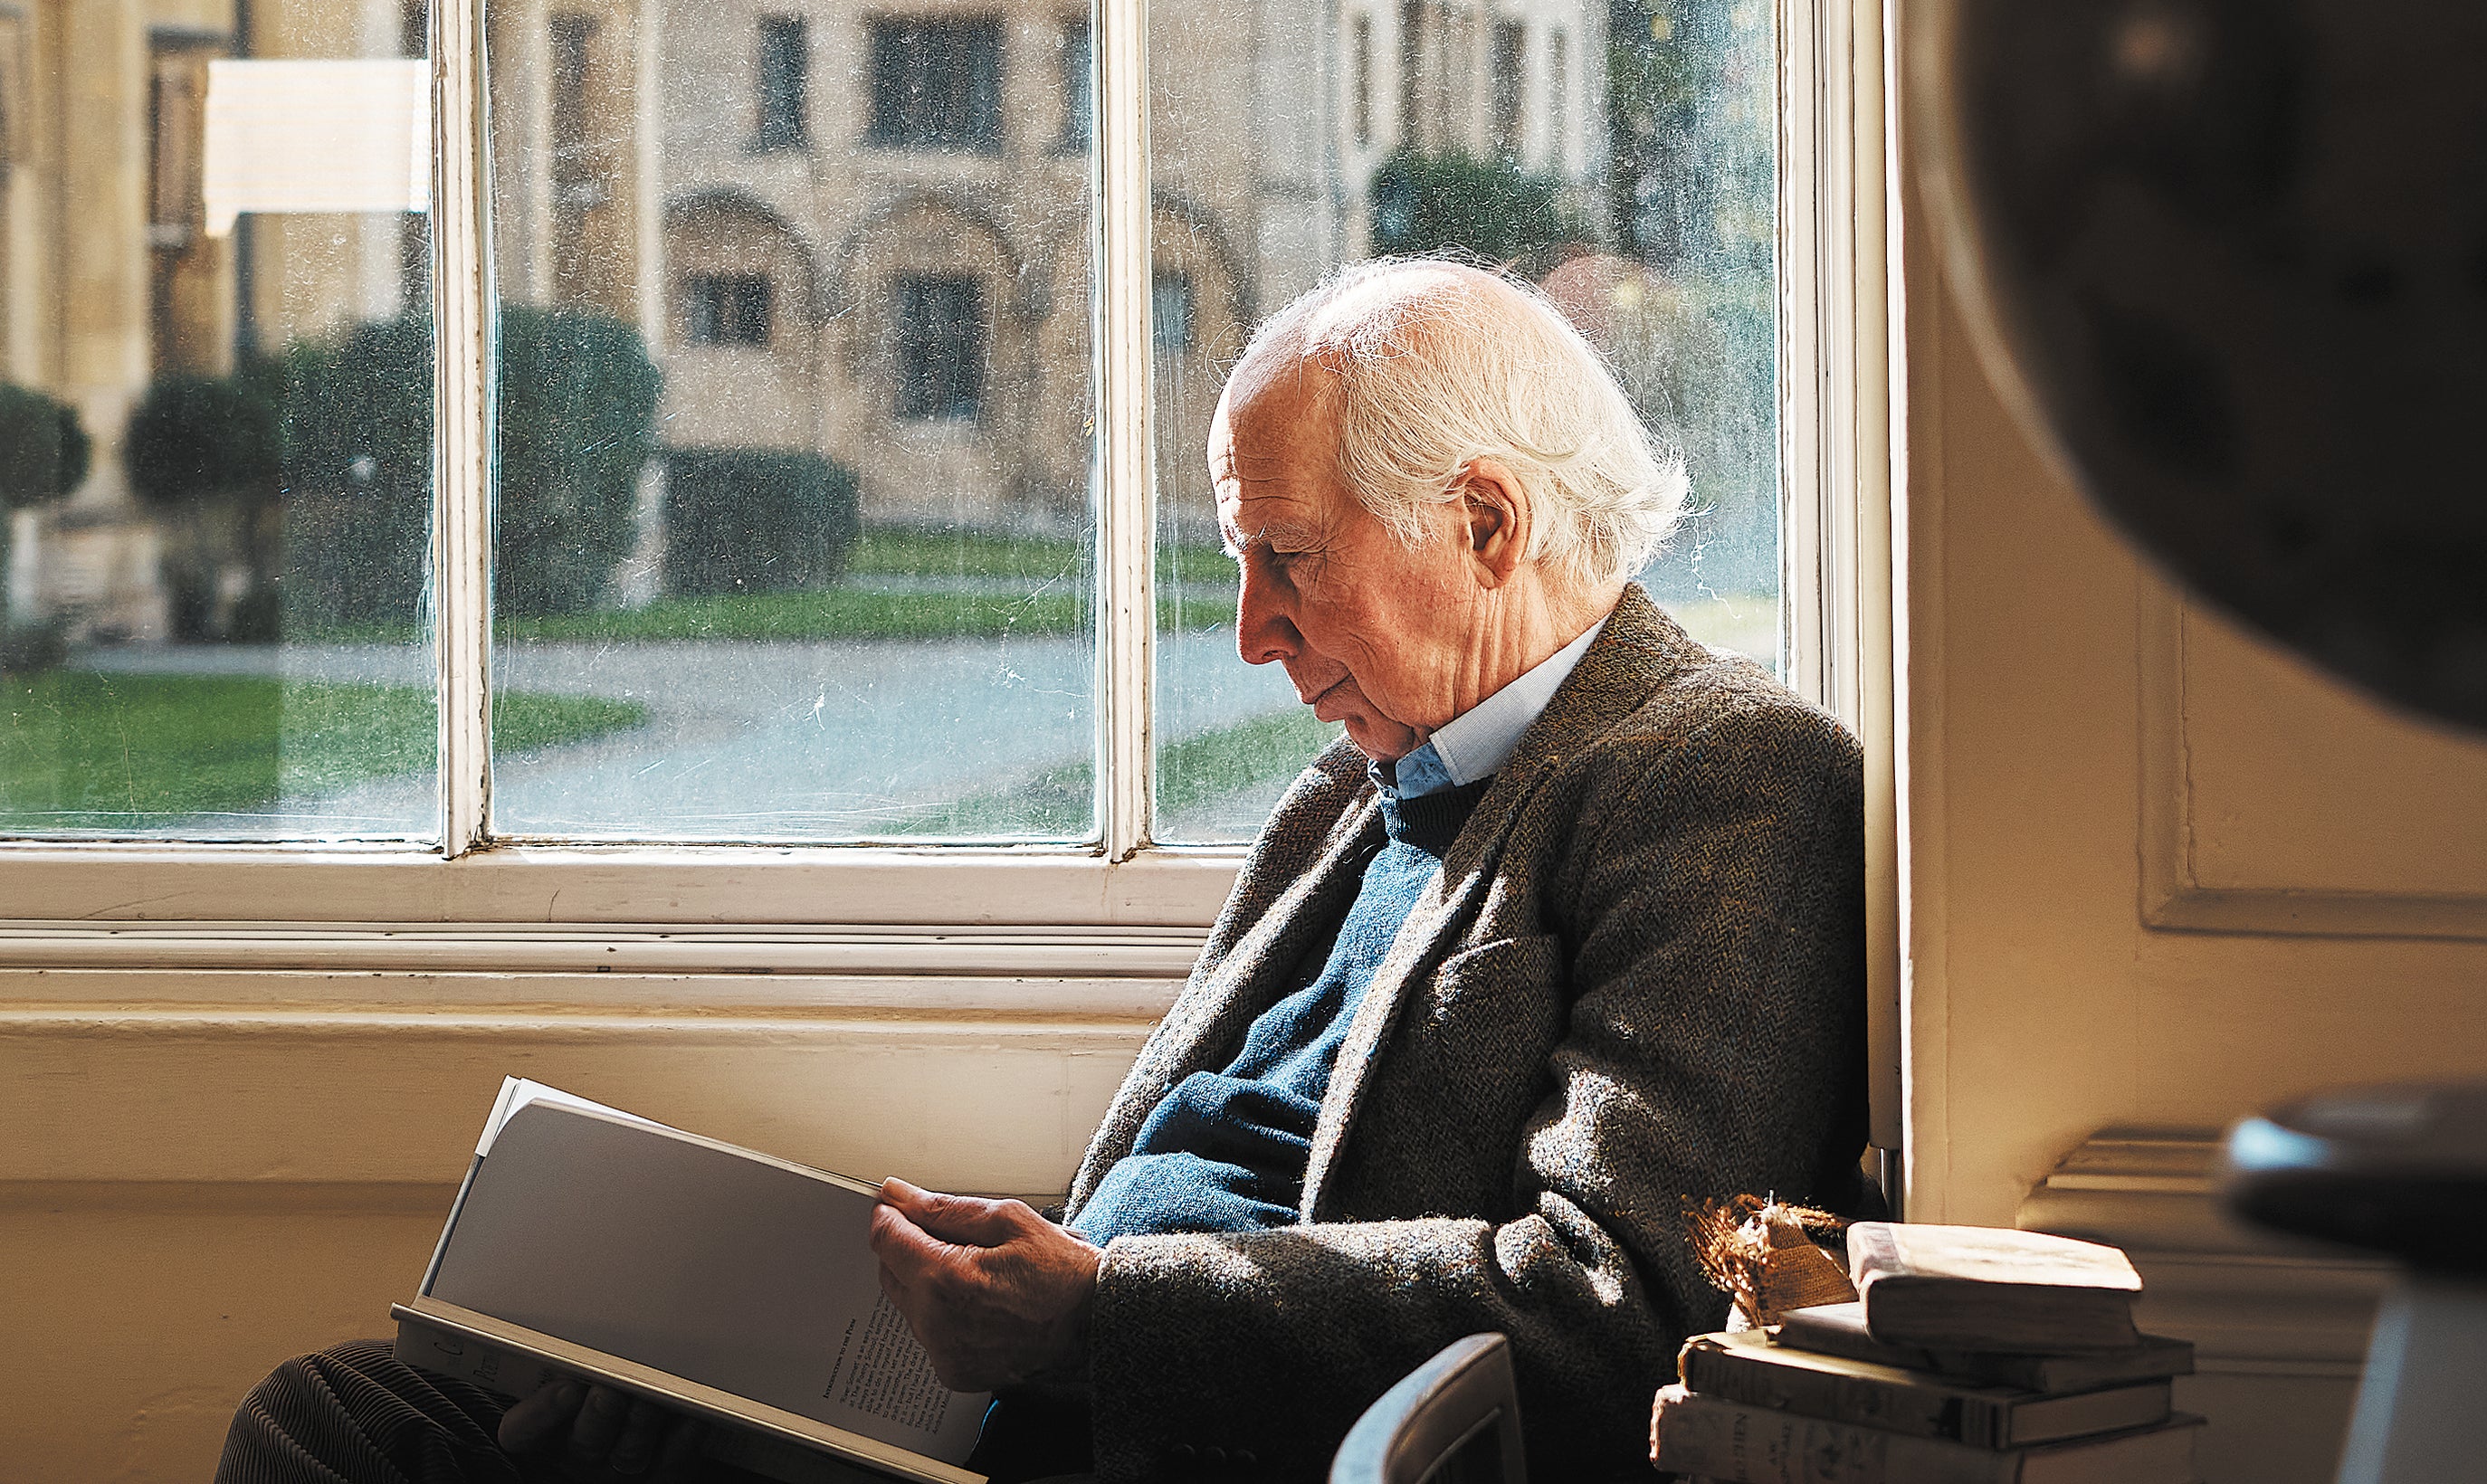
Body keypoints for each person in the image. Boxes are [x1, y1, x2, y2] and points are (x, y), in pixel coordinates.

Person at [216, 258, 1869, 1483]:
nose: (1250, 635)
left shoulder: (1716, 774)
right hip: (1023, 1409)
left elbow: (1628, 1302)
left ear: (1489, 525)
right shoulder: (1367, 780)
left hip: (1157, 1440)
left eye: (1287, 560)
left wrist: (1096, 1318)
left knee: (343, 1447)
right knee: (375, 1417)